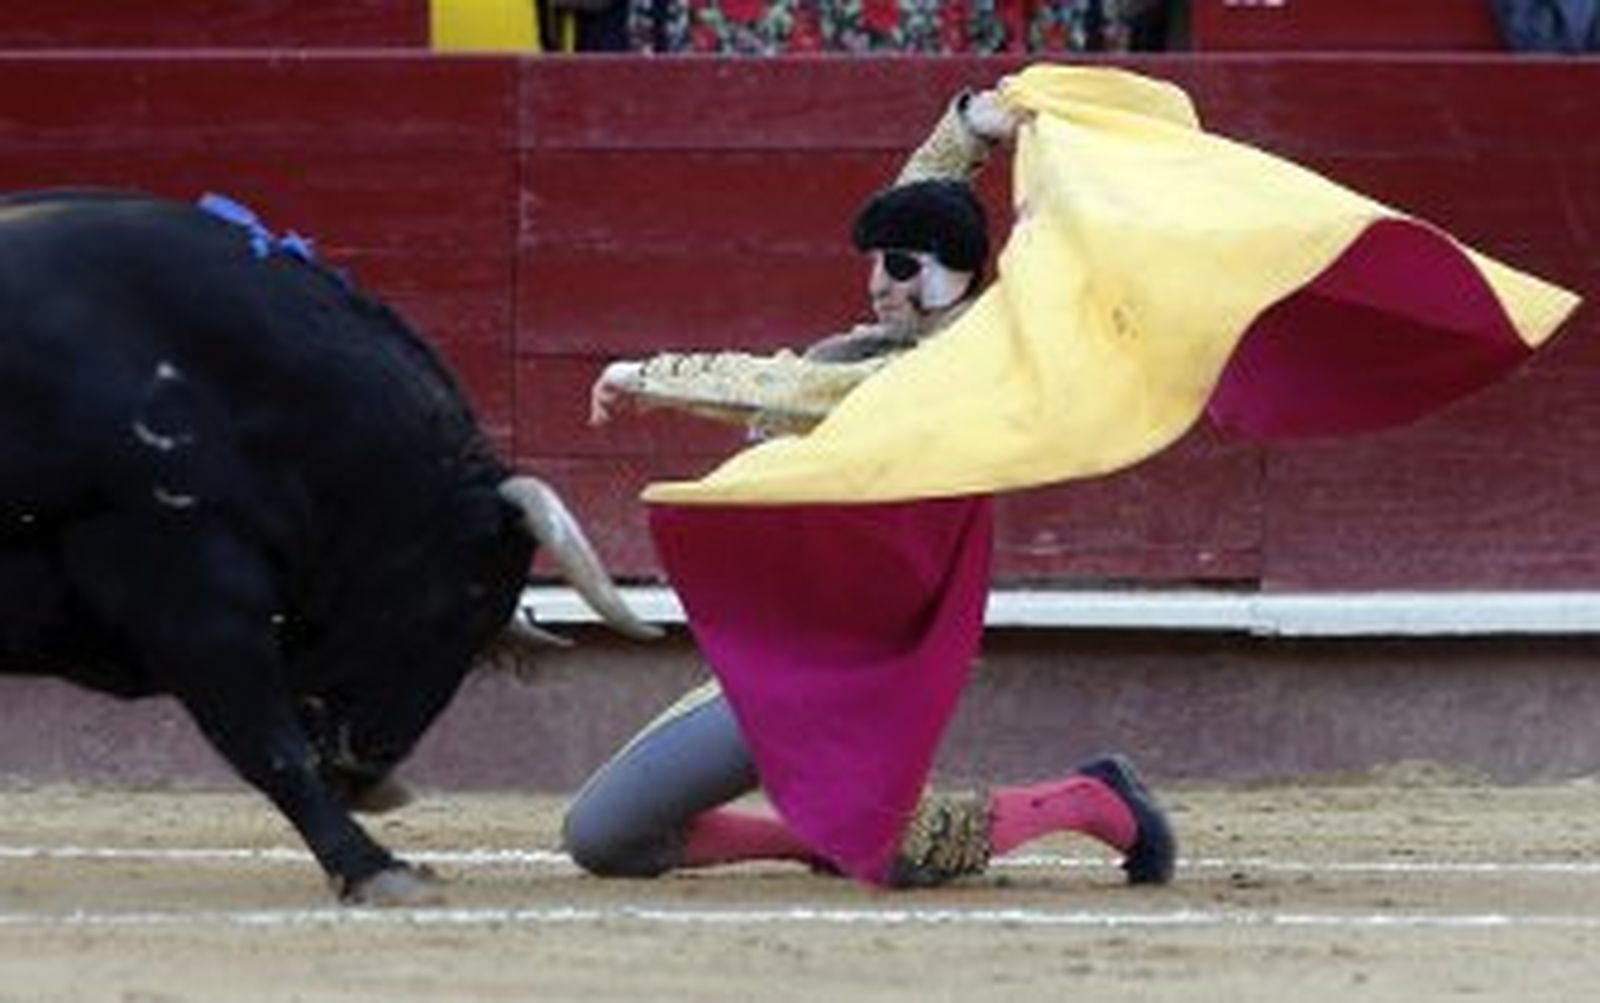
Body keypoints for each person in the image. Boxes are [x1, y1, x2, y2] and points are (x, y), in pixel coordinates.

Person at [566, 84, 1177, 889]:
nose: (877, 284)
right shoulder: (907, 329)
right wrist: (966, 130)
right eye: (874, 264)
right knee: (605, 835)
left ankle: (1093, 801)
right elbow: (921, 208)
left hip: (876, 655)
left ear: (947, 273)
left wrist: (650, 375)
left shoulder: (956, 366)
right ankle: (815, 835)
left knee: (903, 853)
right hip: (798, 648)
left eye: (897, 268)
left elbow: (786, 391)